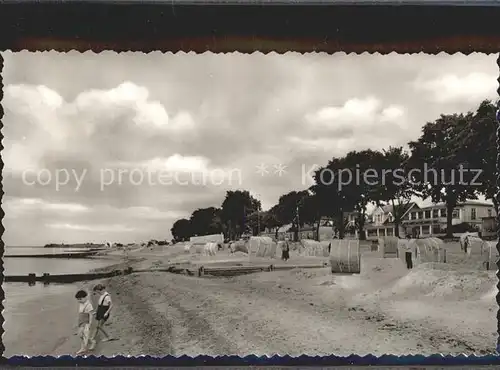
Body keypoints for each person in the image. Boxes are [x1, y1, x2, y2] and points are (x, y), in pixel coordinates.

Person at [75, 290, 96, 355]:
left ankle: (83, 349)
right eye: (78, 299)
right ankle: (93, 342)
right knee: (81, 335)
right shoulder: (81, 304)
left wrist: (90, 323)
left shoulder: (88, 305)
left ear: (85, 297)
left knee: (85, 336)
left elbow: (91, 315)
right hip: (81, 322)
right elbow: (80, 313)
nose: (79, 301)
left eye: (80, 299)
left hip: (86, 322)